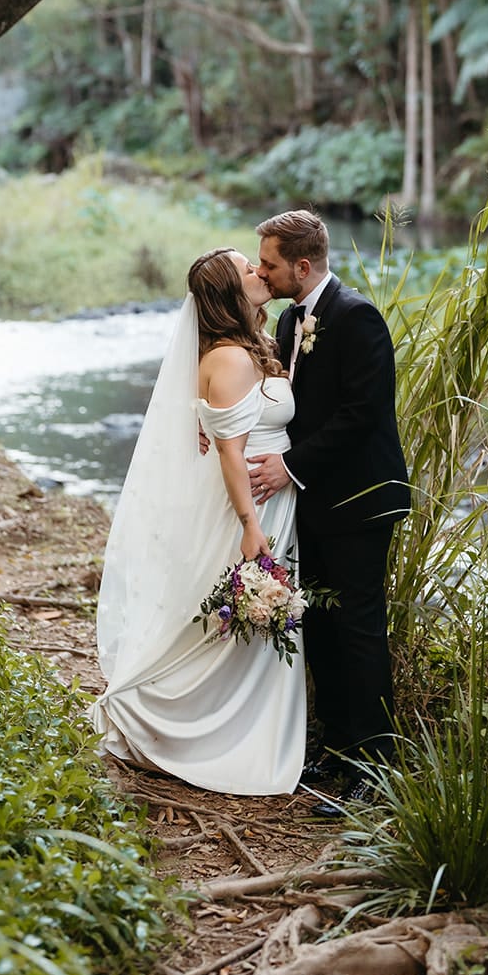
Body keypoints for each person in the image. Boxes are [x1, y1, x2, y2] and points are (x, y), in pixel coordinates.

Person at [92, 248, 306, 796]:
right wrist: (249, 525)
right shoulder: (231, 358)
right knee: (229, 617)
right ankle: (196, 730)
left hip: (270, 495)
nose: (261, 273)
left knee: (241, 621)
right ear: (229, 293)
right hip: (250, 504)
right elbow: (232, 455)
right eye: (248, 270)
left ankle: (249, 730)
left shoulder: (248, 345)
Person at [247, 209, 410, 809]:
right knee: (318, 624)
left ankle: (377, 768)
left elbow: (360, 414)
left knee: (360, 631)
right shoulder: (290, 320)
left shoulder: (357, 316)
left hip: (361, 502)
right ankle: (337, 750)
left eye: (270, 263)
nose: (263, 272)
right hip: (312, 505)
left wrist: (288, 467)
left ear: (303, 265)